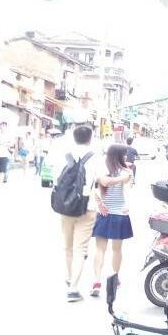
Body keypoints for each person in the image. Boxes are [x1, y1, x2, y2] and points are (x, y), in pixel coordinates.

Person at [57, 124, 105, 302]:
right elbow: (101, 181)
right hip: (87, 206)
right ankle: (73, 288)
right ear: (90, 138)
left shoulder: (64, 155)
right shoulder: (95, 157)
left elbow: (56, 179)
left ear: (74, 137)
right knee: (80, 248)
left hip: (65, 206)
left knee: (67, 246)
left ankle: (70, 277)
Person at [91, 144, 134, 297]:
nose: (126, 157)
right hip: (118, 214)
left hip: (106, 213)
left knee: (100, 249)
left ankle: (98, 281)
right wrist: (124, 176)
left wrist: (100, 202)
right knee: (116, 249)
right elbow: (104, 183)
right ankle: (113, 278)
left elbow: (99, 185)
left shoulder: (103, 169)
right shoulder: (126, 171)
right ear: (118, 155)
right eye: (124, 154)